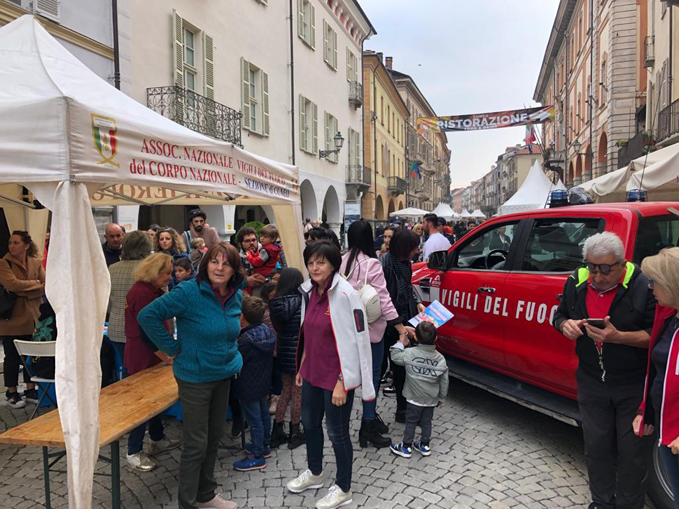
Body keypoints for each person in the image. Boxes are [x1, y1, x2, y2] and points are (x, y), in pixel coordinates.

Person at [553, 232, 655, 509]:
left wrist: (618, 337)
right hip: (591, 380)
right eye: (592, 267)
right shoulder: (578, 279)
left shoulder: (643, 285)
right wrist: (565, 326)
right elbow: (559, 313)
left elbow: (656, 336)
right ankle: (601, 502)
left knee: (631, 454)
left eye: (605, 269)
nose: (597, 276)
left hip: (632, 384)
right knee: (596, 448)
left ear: (622, 264)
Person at [139, 242, 244, 509]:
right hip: (195, 377)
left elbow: (229, 330)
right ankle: (187, 503)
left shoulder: (235, 294)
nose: (219, 268)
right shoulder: (189, 291)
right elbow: (147, 315)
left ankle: (205, 495)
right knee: (196, 443)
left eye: (226, 263)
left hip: (223, 375)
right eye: (214, 261)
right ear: (205, 263)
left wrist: (234, 357)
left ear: (234, 270)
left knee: (213, 437)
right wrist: (172, 348)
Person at [286, 241, 374, 509]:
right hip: (312, 372)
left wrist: (342, 383)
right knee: (310, 424)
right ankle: (314, 473)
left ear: (333, 264)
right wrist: (302, 365)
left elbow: (356, 341)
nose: (314, 267)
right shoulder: (309, 291)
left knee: (337, 433)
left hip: (337, 379)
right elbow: (307, 332)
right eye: (311, 262)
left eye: (320, 262)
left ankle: (343, 487)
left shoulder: (347, 295)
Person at [340, 220, 414, 449]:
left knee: (349, 380)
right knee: (371, 381)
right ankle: (367, 427)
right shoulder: (371, 263)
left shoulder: (343, 261)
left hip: (347, 330)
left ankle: (346, 426)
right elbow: (383, 300)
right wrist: (401, 328)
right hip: (370, 331)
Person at [124, 253, 180, 471]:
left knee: (154, 400)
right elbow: (146, 334)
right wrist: (166, 357)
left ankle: (157, 437)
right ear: (155, 272)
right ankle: (133, 451)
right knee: (142, 404)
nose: (170, 277)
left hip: (149, 352)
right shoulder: (142, 293)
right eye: (167, 273)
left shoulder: (150, 290)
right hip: (144, 354)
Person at [634, 248, 679, 508]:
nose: (650, 288)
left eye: (655, 282)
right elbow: (657, 369)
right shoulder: (668, 316)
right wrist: (647, 412)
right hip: (667, 431)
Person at [381, 229, 426, 423]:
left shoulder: (406, 263)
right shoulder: (384, 264)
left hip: (404, 318)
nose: (417, 251)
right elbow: (384, 299)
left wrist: (416, 301)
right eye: (414, 247)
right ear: (404, 247)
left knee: (402, 366)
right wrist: (399, 326)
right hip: (388, 323)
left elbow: (407, 287)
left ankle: (402, 408)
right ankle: (371, 415)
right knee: (387, 364)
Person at [389, 321, 449, 458]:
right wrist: (441, 398)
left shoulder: (409, 353)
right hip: (431, 399)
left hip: (413, 398)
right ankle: (425, 445)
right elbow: (444, 381)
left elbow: (395, 356)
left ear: (415, 338)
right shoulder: (441, 359)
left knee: (411, 422)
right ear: (436, 338)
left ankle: (405, 447)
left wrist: (401, 342)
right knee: (427, 422)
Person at [0, 231, 46, 409]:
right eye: (10, 242)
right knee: (12, 356)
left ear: (26, 245)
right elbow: (11, 284)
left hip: (34, 315)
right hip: (12, 318)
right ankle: (11, 392)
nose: (11, 246)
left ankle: (30, 389)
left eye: (16, 242)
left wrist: (27, 287)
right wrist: (35, 285)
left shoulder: (35, 261)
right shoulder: (3, 263)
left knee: (32, 355)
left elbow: (45, 284)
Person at [232, 296, 276, 472]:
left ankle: (257, 455)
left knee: (254, 420)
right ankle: (264, 445)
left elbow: (238, 360)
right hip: (263, 382)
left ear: (242, 316)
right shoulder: (266, 331)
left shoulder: (245, 341)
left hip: (249, 384)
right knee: (263, 414)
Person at [269, 268, 305, 449]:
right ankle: (295, 433)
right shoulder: (301, 301)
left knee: (285, 391)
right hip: (298, 351)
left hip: (283, 349)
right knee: (297, 392)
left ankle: (276, 432)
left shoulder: (274, 302)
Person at [108, 231, 153, 375]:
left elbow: (108, 301)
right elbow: (162, 303)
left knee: (127, 369)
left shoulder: (113, 269)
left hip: (117, 328)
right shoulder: (151, 269)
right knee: (147, 373)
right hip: (145, 330)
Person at [237, 227, 266, 292]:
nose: (252, 243)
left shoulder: (267, 254)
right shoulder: (237, 259)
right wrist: (246, 281)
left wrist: (267, 279)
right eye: (247, 241)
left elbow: (277, 274)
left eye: (254, 240)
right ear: (240, 244)